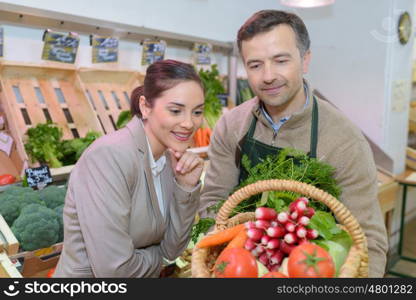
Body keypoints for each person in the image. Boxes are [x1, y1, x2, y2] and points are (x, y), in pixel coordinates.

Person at [199, 10, 388, 277]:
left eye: (280, 60)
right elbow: (214, 201)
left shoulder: (345, 140)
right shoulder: (231, 126)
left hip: (312, 270)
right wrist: (215, 259)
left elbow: (368, 239)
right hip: (242, 268)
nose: (268, 76)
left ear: (305, 60)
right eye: (255, 65)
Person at [54, 59, 205, 277]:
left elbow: (173, 249)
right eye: (175, 111)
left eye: (197, 112)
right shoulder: (109, 156)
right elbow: (114, 271)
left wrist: (186, 187)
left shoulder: (168, 159)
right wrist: (158, 256)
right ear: (145, 107)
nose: (189, 123)